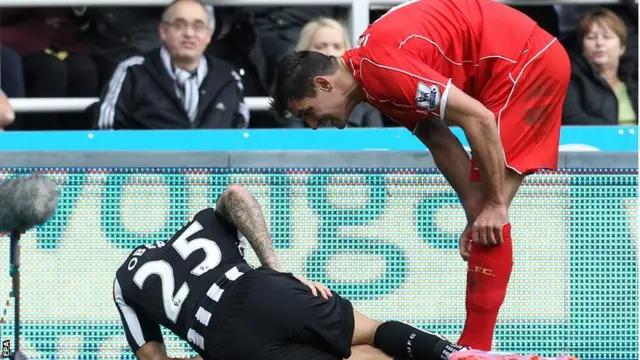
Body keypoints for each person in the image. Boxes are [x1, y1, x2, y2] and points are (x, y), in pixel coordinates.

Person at [270, 0, 571, 351]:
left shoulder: (381, 69)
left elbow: (479, 120)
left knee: (492, 221)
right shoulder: (371, 81)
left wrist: (492, 204)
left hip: (525, 62)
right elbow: (439, 140)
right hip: (508, 62)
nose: (313, 125)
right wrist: (476, 211)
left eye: (308, 113)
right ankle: (475, 347)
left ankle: (474, 350)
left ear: (323, 83)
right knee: (484, 222)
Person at [112, 185, 577, 360]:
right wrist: (279, 270)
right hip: (261, 288)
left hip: (227, 342)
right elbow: (237, 194)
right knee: (371, 330)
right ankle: (456, 356)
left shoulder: (123, 281)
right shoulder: (199, 225)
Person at [94, 0, 249, 130]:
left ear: (209, 35)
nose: (189, 33)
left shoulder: (228, 77)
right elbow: (106, 133)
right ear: (163, 31)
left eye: (198, 26)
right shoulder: (132, 71)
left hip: (213, 166)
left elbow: (241, 136)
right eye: (179, 25)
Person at [285, 17, 383, 128]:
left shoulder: (365, 98)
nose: (329, 53)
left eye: (337, 46)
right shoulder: (292, 96)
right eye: (320, 46)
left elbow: (376, 142)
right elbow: (295, 142)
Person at [562, 8, 637, 125]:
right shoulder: (572, 81)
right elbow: (572, 119)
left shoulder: (635, 81)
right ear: (582, 47)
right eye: (591, 37)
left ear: (622, 47)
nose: (599, 43)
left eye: (607, 37)